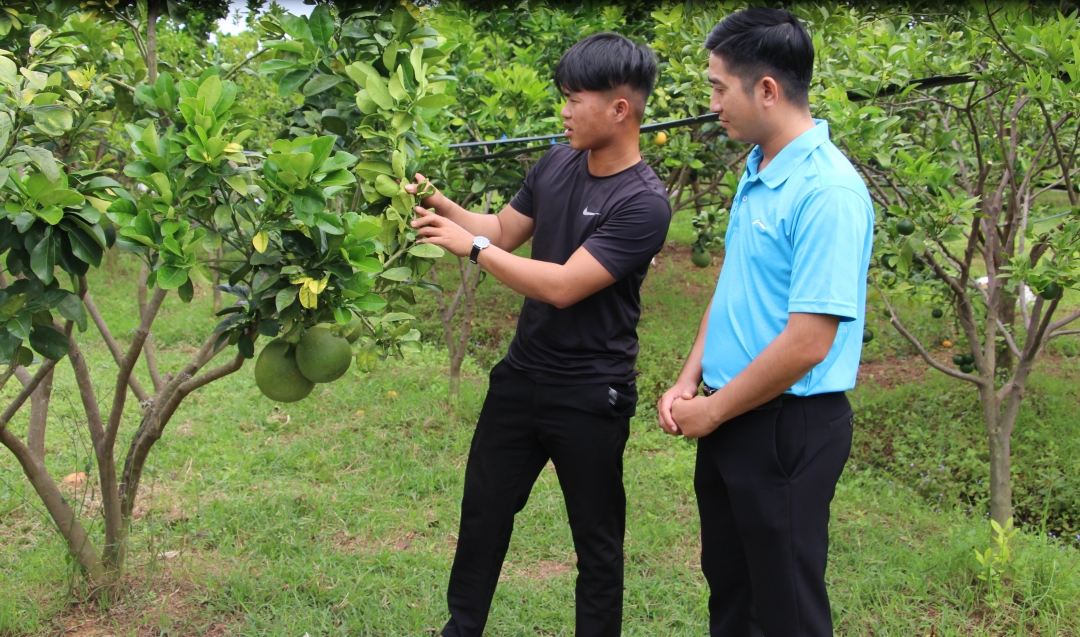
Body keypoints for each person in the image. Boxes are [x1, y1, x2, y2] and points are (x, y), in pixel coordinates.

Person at [404, 33, 671, 637]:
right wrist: (442, 205)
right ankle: (461, 628)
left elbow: (562, 285)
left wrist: (470, 250)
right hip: (521, 379)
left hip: (590, 393)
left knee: (596, 542)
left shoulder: (644, 204)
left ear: (620, 109)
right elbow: (500, 229)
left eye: (575, 99)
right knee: (483, 517)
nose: (564, 111)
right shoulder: (555, 163)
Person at [656, 8, 874, 637]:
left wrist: (717, 410)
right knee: (732, 591)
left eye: (720, 87)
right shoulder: (759, 169)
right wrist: (689, 378)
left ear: (768, 90)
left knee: (786, 609)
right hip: (732, 411)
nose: (713, 103)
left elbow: (810, 342)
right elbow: (736, 286)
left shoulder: (828, 191)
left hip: (786, 426)